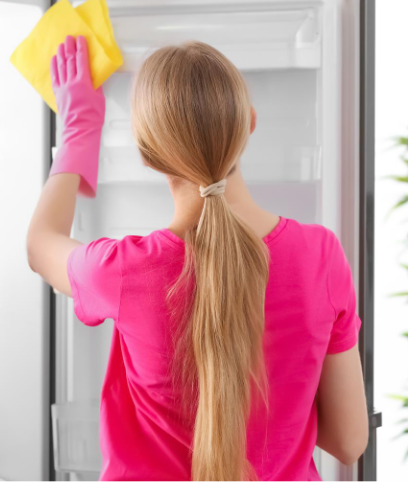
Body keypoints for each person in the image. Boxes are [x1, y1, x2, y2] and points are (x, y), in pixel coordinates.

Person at [26, 35, 368, 481]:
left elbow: (41, 243)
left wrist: (78, 129)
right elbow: (348, 440)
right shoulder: (320, 257)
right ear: (249, 123)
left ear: (147, 157)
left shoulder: (125, 271)